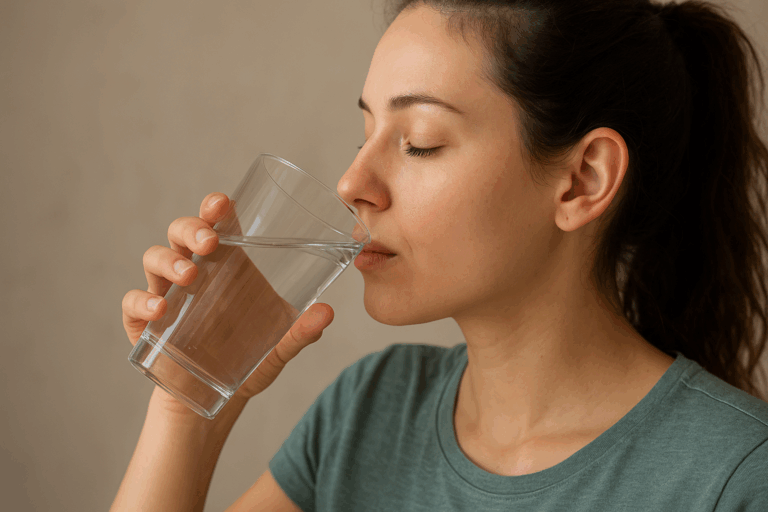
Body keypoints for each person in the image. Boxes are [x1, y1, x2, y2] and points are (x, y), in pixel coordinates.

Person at [112, 0, 768, 510]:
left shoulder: (738, 476)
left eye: (419, 141)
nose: (351, 183)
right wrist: (188, 403)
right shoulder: (368, 412)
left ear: (582, 180)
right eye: (366, 133)